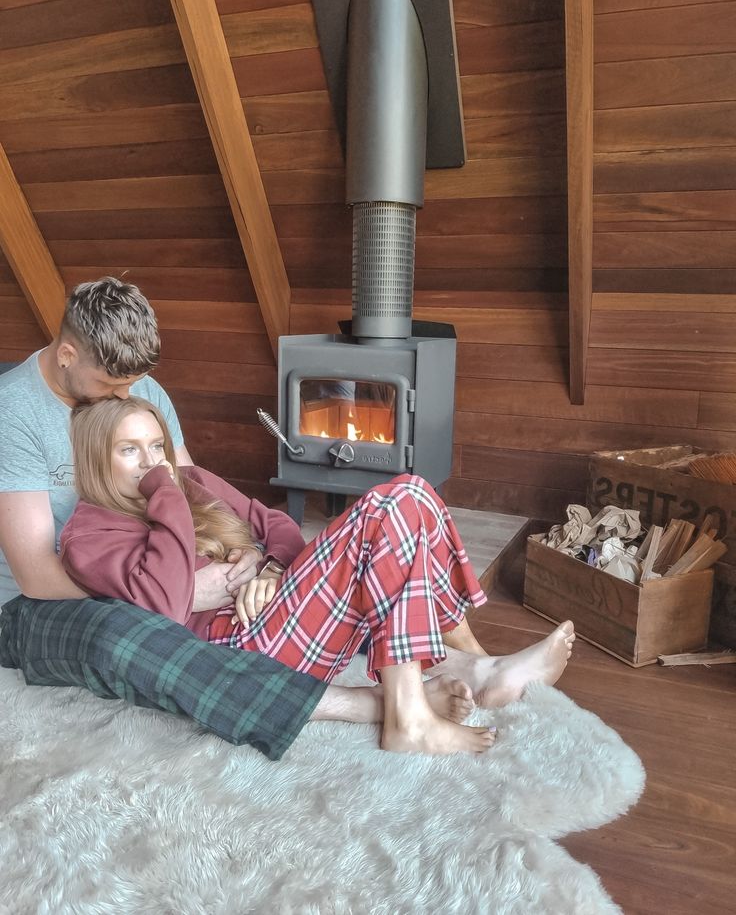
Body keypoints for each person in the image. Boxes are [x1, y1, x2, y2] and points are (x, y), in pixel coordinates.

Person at [0, 276, 574, 758]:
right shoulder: (34, 439)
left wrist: (258, 563)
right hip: (40, 603)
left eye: (136, 391)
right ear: (68, 355)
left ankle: (469, 662)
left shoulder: (135, 394)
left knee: (407, 496)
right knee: (122, 635)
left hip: (229, 593)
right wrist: (177, 594)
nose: (126, 395)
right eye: (112, 387)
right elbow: (37, 572)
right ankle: (381, 706)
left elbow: (201, 499)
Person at [59, 396, 576, 755]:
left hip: (279, 609)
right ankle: (408, 717)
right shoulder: (88, 535)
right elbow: (164, 602)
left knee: (412, 491)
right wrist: (165, 495)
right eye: (130, 450)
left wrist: (273, 567)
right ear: (97, 461)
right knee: (389, 507)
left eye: (157, 447)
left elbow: (276, 524)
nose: (154, 464)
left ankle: (478, 671)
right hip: (237, 648)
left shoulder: (192, 478)